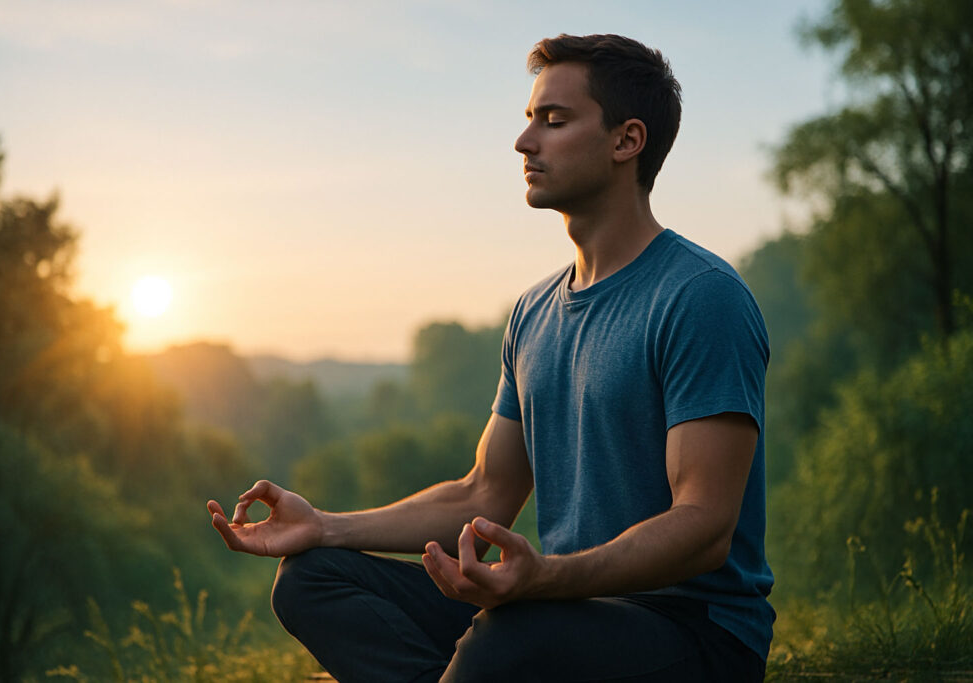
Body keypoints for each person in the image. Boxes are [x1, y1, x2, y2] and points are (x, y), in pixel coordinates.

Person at [208, 33, 774, 682]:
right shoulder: (535, 312)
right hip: (554, 611)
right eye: (529, 117)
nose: (524, 141)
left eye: (553, 120)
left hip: (691, 634)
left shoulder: (701, 297)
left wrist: (545, 579)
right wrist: (325, 525)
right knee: (312, 579)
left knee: (514, 633)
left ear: (627, 141)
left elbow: (704, 527)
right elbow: (485, 491)